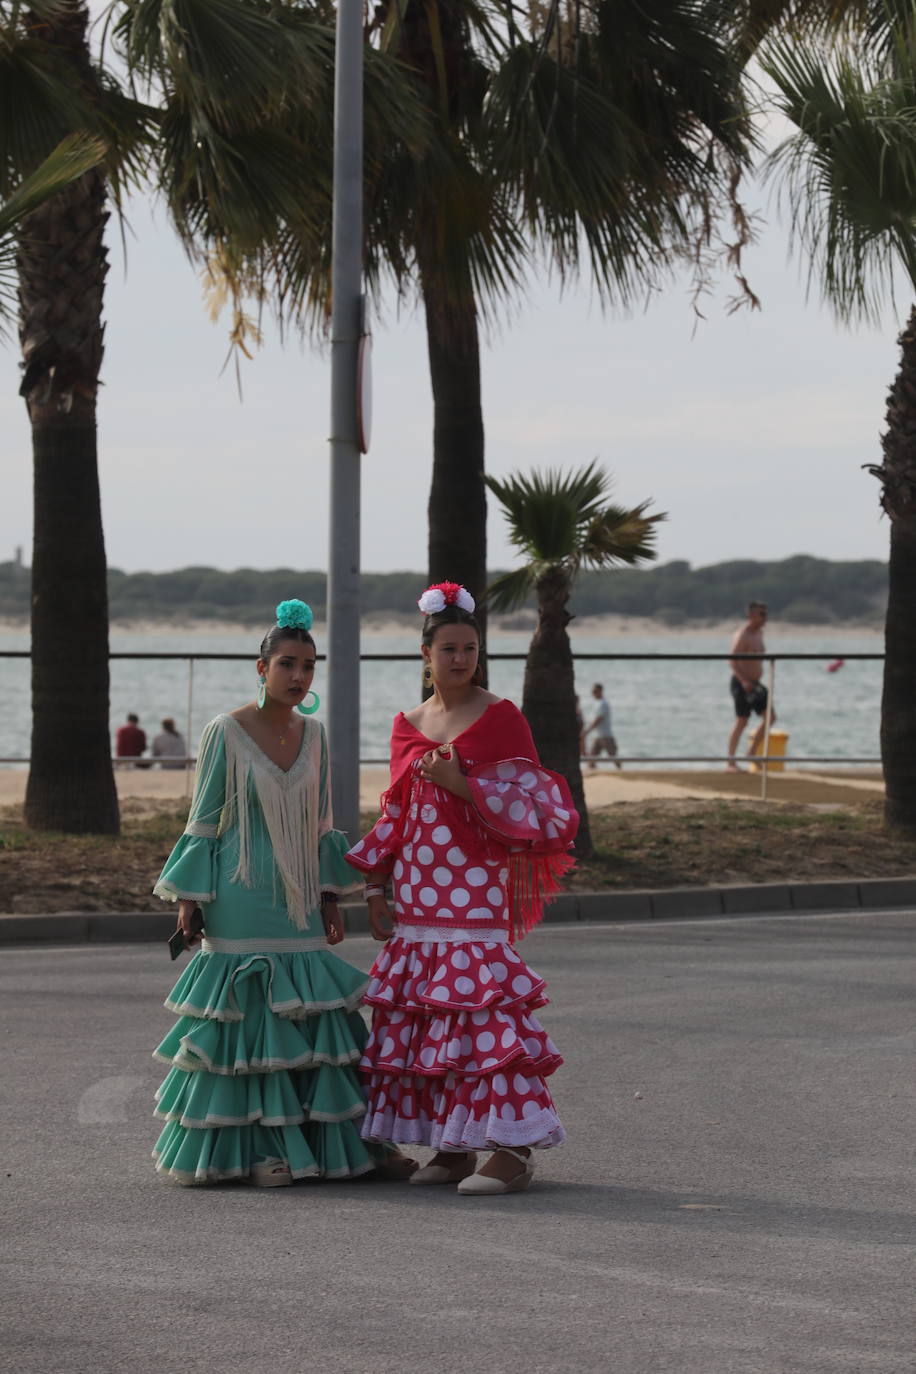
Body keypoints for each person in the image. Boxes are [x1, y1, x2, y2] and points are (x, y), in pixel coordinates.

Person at [151, 599, 414, 1187]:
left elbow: (322, 824)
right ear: (261, 666)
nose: (299, 676)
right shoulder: (224, 729)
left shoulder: (315, 734)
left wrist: (328, 899)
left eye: (309, 666)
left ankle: (346, 1146)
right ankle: (260, 1152)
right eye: (288, 664)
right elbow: (204, 820)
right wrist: (190, 903)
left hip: (298, 899)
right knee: (251, 1029)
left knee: (315, 1022)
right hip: (238, 895)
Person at [346, 581, 578, 1196]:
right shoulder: (406, 726)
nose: (460, 658)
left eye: (470, 648)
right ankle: (451, 1147)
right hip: (419, 895)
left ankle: (512, 1148)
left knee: (481, 1018)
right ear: (425, 654)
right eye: (448, 647)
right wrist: (375, 889)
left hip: (474, 892)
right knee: (429, 1018)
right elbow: (393, 814)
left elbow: (543, 810)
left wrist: (463, 784)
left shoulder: (501, 719)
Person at [727, 600, 775, 771]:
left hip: (756, 683)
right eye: (762, 614)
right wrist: (743, 680)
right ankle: (731, 762)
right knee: (742, 720)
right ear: (751, 615)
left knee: (770, 717)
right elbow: (732, 660)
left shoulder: (759, 634)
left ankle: (752, 752)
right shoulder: (743, 635)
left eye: (766, 614)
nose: (765, 618)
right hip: (742, 682)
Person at [582, 683, 621, 769]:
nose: (593, 693)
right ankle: (593, 772)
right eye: (593, 691)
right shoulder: (597, 703)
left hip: (606, 735)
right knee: (591, 758)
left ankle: (621, 771)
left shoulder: (603, 704)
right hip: (598, 736)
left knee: (613, 756)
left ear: (600, 691)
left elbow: (598, 719)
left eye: (595, 691)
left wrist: (587, 731)